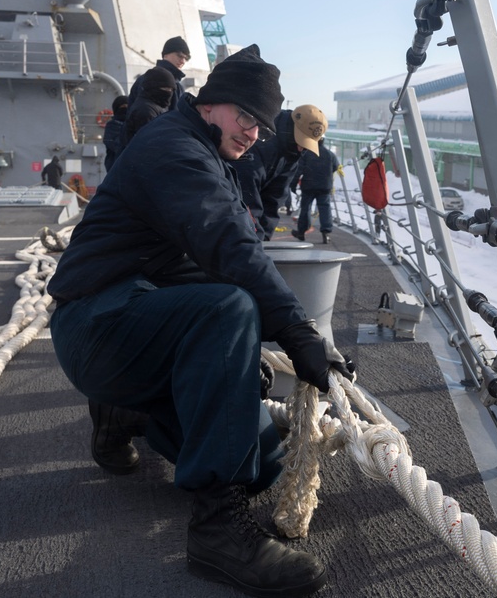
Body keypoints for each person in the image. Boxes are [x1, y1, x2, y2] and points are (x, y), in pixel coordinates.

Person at [47, 44, 354, 597]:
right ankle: (216, 531)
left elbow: (209, 258)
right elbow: (228, 243)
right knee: (228, 309)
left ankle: (125, 413)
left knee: (262, 464)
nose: (253, 133)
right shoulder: (175, 149)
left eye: (261, 125)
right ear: (211, 104)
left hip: (127, 321)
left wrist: (238, 354)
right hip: (95, 322)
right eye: (245, 117)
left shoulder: (208, 151)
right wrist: (296, 330)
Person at [230, 104, 327, 240]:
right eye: (301, 141)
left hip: (250, 222)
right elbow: (246, 197)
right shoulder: (259, 145)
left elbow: (274, 200)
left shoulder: (291, 154)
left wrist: (265, 239)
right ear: (292, 128)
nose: (301, 149)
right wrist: (254, 241)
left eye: (306, 146)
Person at [291, 139, 341, 244]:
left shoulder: (306, 154)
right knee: (325, 208)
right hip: (325, 186)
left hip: (308, 186)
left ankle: (302, 232)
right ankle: (326, 233)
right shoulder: (330, 154)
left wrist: (293, 185)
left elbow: (298, 170)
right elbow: (336, 167)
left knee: (305, 208)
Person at [129, 36, 189, 112]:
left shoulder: (145, 79)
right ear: (165, 55)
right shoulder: (150, 80)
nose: (183, 61)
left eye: (185, 58)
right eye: (179, 55)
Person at [124, 66, 177, 144]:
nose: (169, 92)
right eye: (165, 89)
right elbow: (151, 143)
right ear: (153, 88)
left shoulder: (157, 106)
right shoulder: (145, 110)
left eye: (171, 89)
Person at [102, 96, 128, 171]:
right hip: (116, 168)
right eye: (122, 106)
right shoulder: (112, 125)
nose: (125, 108)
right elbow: (118, 146)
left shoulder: (132, 123)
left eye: (127, 106)